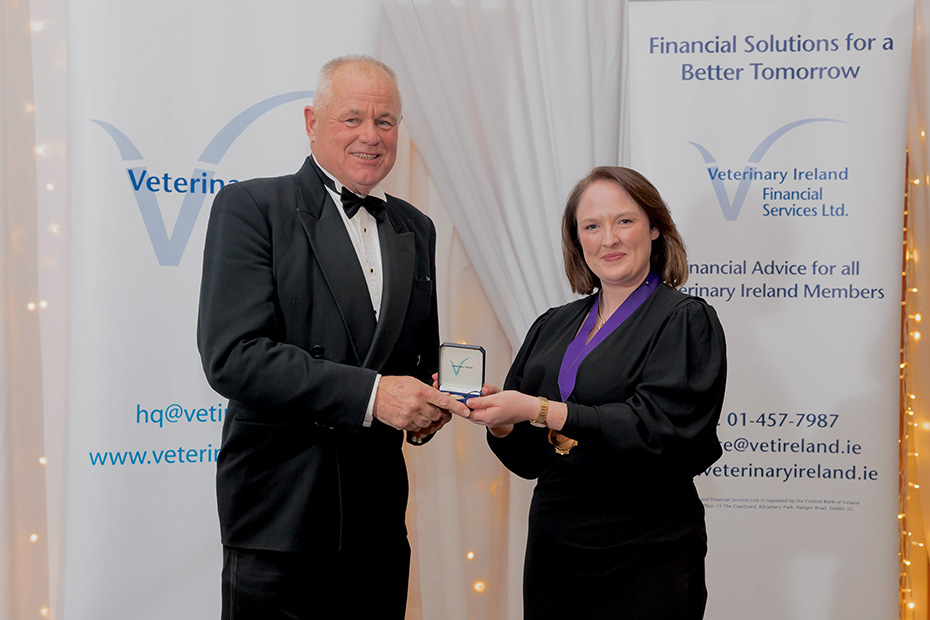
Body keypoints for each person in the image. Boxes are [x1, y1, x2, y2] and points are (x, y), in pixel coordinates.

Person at [197, 54, 468, 620]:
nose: (370, 136)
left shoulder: (416, 228)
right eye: (352, 119)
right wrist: (375, 397)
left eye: (385, 121)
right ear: (311, 122)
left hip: (377, 527)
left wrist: (429, 404)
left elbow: (413, 362)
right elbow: (234, 357)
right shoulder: (251, 207)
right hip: (281, 519)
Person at [463, 166, 727, 619]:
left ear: (656, 227)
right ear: (577, 241)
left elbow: (659, 432)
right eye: (592, 226)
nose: (610, 239)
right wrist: (506, 422)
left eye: (624, 221)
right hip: (555, 555)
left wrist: (543, 409)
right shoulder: (552, 325)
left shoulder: (684, 320)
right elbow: (529, 462)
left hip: (646, 554)